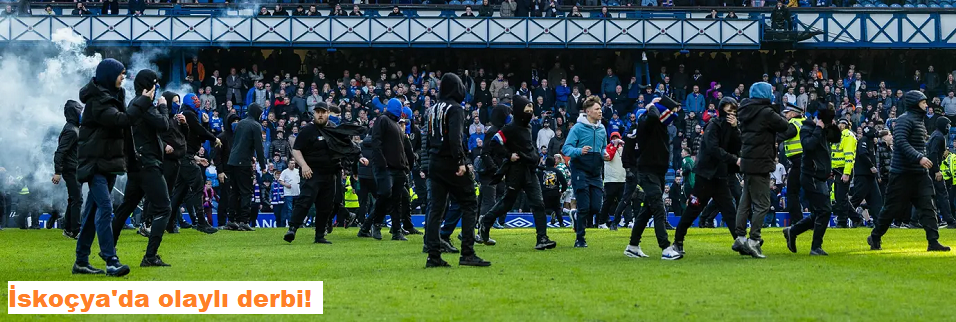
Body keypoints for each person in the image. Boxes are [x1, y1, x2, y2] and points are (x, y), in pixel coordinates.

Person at [110, 70, 184, 267]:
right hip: (148, 164)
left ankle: (108, 249)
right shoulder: (143, 105)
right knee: (164, 208)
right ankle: (150, 256)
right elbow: (163, 125)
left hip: (137, 164)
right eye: (155, 85)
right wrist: (163, 108)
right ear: (149, 86)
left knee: (126, 207)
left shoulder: (135, 103)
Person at [869, 91, 951, 252]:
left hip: (919, 174)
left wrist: (921, 159)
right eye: (923, 102)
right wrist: (919, 158)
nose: (926, 105)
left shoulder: (919, 122)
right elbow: (900, 142)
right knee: (891, 208)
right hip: (901, 174)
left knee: (928, 206)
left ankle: (933, 241)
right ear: (915, 103)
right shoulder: (904, 120)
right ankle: (875, 236)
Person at [423, 73, 491, 268]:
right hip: (451, 162)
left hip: (434, 161)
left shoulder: (433, 109)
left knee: (436, 209)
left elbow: (429, 137)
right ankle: (467, 253)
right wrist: (461, 161)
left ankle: (433, 255)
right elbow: (454, 138)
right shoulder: (455, 109)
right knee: (469, 203)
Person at [73, 58, 131, 277]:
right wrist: (142, 104)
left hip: (107, 163)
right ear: (109, 75)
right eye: (120, 73)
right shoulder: (98, 101)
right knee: (106, 208)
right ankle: (111, 260)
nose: (123, 77)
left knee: (92, 213)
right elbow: (121, 121)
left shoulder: (112, 97)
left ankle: (81, 262)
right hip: (96, 163)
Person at [479, 95, 558, 250]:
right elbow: (494, 142)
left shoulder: (527, 127)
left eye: (531, 109)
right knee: (507, 203)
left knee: (538, 203)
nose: (530, 112)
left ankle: (542, 238)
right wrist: (509, 155)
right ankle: (486, 221)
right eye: (527, 109)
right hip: (515, 172)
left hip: (529, 170)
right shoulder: (510, 127)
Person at [283, 102, 366, 243]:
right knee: (304, 201)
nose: (320, 114)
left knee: (326, 206)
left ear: (328, 113)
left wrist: (359, 157)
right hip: (312, 173)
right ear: (314, 114)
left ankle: (320, 235)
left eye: (323, 112)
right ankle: (292, 229)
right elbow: (296, 149)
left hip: (330, 173)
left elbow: (348, 145)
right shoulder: (307, 130)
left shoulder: (333, 129)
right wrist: (303, 165)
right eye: (317, 112)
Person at [672, 97, 741, 256]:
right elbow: (713, 149)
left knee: (729, 210)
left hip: (720, 176)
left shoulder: (731, 128)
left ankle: (740, 240)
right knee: (693, 209)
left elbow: (738, 146)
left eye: (734, 112)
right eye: (729, 111)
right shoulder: (713, 126)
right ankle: (678, 241)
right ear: (722, 110)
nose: (732, 115)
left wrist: (736, 129)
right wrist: (734, 160)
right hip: (705, 176)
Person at [732, 82, 789, 259]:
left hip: (748, 161)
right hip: (761, 162)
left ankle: (740, 237)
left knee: (745, 201)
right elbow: (784, 125)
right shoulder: (766, 112)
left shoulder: (745, 110)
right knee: (763, 204)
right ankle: (754, 240)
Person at [625, 96, 682, 260]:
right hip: (648, 172)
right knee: (658, 208)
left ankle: (632, 246)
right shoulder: (646, 122)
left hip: (657, 172)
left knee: (647, 211)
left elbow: (674, 111)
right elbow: (653, 116)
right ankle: (665, 247)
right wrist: (652, 105)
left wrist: (664, 101)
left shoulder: (658, 126)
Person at [782, 106, 841, 256]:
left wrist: (832, 126)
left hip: (819, 176)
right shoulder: (807, 127)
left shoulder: (824, 128)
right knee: (825, 210)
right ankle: (815, 247)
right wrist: (819, 129)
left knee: (819, 212)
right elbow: (808, 146)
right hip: (810, 176)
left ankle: (792, 231)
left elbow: (836, 139)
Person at [359, 98, 414, 241]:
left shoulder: (394, 125)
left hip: (397, 168)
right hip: (387, 167)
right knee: (385, 195)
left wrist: (404, 166)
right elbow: (376, 142)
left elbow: (401, 149)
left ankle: (395, 231)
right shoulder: (383, 120)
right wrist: (383, 163)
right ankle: (377, 225)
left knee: (396, 199)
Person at [167, 93, 221, 234]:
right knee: (198, 187)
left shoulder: (187, 114)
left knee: (180, 192)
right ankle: (201, 222)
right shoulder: (188, 114)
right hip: (186, 158)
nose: (198, 102)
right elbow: (200, 132)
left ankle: (169, 222)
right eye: (195, 100)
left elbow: (198, 135)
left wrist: (205, 123)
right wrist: (214, 138)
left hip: (186, 156)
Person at [563, 96, 608, 248]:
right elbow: (566, 148)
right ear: (588, 112)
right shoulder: (577, 128)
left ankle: (575, 216)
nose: (600, 111)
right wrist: (579, 151)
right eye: (597, 109)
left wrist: (604, 154)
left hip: (596, 172)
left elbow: (603, 148)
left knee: (596, 207)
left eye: (600, 109)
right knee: (584, 207)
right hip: (580, 170)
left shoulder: (602, 129)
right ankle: (580, 239)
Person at [226, 103, 267, 232]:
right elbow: (259, 147)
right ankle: (244, 221)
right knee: (246, 192)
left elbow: (239, 142)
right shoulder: (255, 126)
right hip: (243, 163)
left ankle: (232, 220)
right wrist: (263, 165)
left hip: (232, 161)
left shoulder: (240, 124)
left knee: (235, 192)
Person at [52, 100, 83, 239]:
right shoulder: (71, 130)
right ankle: (75, 230)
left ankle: (69, 229)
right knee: (77, 199)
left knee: (74, 199)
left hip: (74, 168)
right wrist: (58, 172)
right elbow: (60, 152)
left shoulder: (73, 128)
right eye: (79, 111)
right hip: (71, 170)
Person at [847, 126, 884, 231]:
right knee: (856, 198)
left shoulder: (872, 143)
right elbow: (863, 154)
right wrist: (871, 166)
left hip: (870, 176)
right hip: (863, 175)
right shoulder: (864, 140)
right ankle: (845, 218)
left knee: (876, 200)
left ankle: (879, 223)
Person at [778, 103, 806, 224]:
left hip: (798, 162)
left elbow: (781, 136)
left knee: (792, 192)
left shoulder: (793, 124)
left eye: (787, 113)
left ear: (793, 114)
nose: (785, 115)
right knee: (810, 192)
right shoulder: (805, 122)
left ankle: (797, 220)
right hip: (806, 161)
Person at [831, 118, 861, 228]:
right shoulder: (839, 136)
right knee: (840, 197)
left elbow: (849, 156)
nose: (841, 125)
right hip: (838, 169)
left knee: (841, 197)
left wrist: (846, 173)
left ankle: (842, 221)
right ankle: (856, 218)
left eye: (843, 124)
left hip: (844, 169)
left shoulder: (848, 136)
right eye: (840, 123)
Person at [927, 117, 956, 227]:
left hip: (930, 169)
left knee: (929, 195)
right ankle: (950, 220)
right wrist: (937, 171)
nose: (949, 128)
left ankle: (937, 219)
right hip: (933, 171)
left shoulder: (935, 135)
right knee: (942, 195)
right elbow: (933, 154)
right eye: (948, 125)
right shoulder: (939, 137)